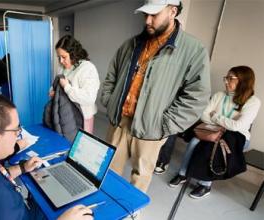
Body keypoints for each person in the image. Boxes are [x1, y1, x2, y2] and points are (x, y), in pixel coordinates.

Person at [100, 0, 211, 192]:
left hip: (151, 128)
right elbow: (112, 76)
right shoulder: (131, 44)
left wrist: (164, 125)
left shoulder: (193, 50)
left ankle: (132, 213)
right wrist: (110, 102)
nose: (148, 21)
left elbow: (197, 96)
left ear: (172, 11)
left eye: (154, 15)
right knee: (108, 172)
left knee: (140, 177)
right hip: (119, 121)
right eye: (145, 15)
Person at [169, 65, 261, 199]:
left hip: (237, 136)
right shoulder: (219, 95)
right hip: (212, 129)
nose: (226, 81)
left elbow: (237, 126)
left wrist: (216, 116)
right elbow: (204, 115)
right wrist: (225, 122)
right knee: (194, 141)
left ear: (243, 80)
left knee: (213, 146)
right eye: (226, 78)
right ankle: (182, 174)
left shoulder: (253, 101)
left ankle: (205, 185)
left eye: (230, 78)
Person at [50, 35, 100, 134]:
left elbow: (88, 98)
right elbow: (55, 85)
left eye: (64, 57)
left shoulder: (87, 68)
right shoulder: (62, 67)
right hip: (64, 116)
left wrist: (67, 87)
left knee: (79, 147)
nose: (61, 61)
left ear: (73, 54)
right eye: (59, 57)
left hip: (82, 117)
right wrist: (53, 91)